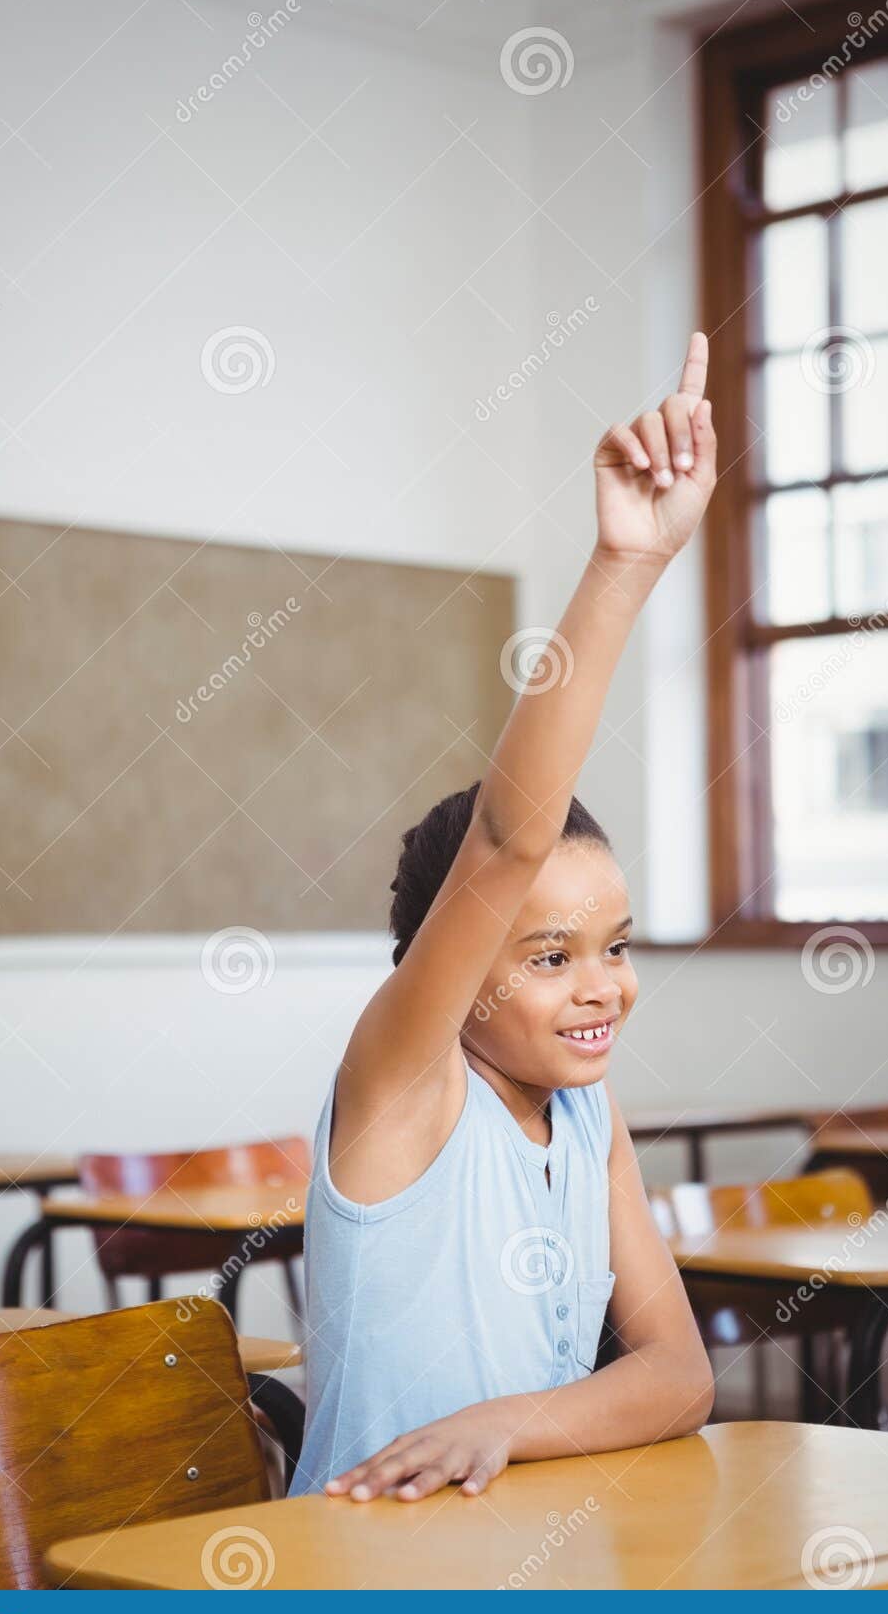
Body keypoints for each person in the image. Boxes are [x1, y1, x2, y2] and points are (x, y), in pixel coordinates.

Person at [291, 334, 718, 1502]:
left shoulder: (584, 1119)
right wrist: (624, 565)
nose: (601, 985)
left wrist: (506, 1423)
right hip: (358, 1585)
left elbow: (678, 1375)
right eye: (546, 956)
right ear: (461, 964)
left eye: (615, 947)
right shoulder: (402, 1085)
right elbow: (505, 839)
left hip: (521, 1575)